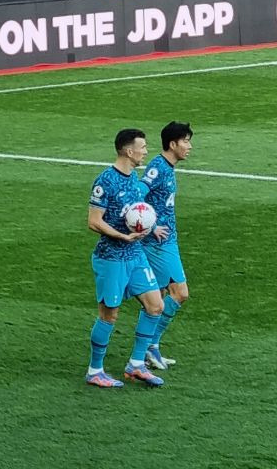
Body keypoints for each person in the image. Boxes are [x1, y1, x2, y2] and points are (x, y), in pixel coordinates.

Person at [86, 128, 166, 388]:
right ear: (128, 151)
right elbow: (94, 222)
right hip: (111, 258)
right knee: (109, 315)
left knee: (156, 305)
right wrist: (122, 236)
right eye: (143, 147)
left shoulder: (134, 179)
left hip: (135, 254)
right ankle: (95, 370)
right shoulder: (105, 181)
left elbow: (137, 214)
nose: (145, 152)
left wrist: (149, 228)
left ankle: (136, 364)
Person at [140, 121, 193, 371]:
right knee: (179, 293)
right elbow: (136, 196)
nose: (189, 146)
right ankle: (150, 345)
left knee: (158, 298)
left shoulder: (167, 167)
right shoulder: (158, 168)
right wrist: (150, 228)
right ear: (172, 144)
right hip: (159, 243)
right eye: (185, 141)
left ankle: (149, 348)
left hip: (166, 240)